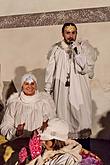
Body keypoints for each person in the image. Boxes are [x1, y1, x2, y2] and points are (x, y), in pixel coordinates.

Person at [44, 22, 98, 141]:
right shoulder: (56, 50)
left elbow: (85, 69)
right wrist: (48, 90)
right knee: (63, 115)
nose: (70, 36)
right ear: (62, 34)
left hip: (79, 89)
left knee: (81, 116)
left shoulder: (83, 48)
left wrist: (77, 52)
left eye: (73, 33)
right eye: (67, 33)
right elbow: (50, 71)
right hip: (61, 89)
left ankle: (84, 150)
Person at [0, 73, 56, 140]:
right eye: (26, 84)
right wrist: (16, 132)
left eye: (32, 83)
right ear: (22, 86)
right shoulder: (14, 104)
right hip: (18, 143)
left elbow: (53, 124)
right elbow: (5, 126)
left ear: (36, 85)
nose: (30, 86)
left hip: (40, 143)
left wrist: (44, 129)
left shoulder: (44, 103)